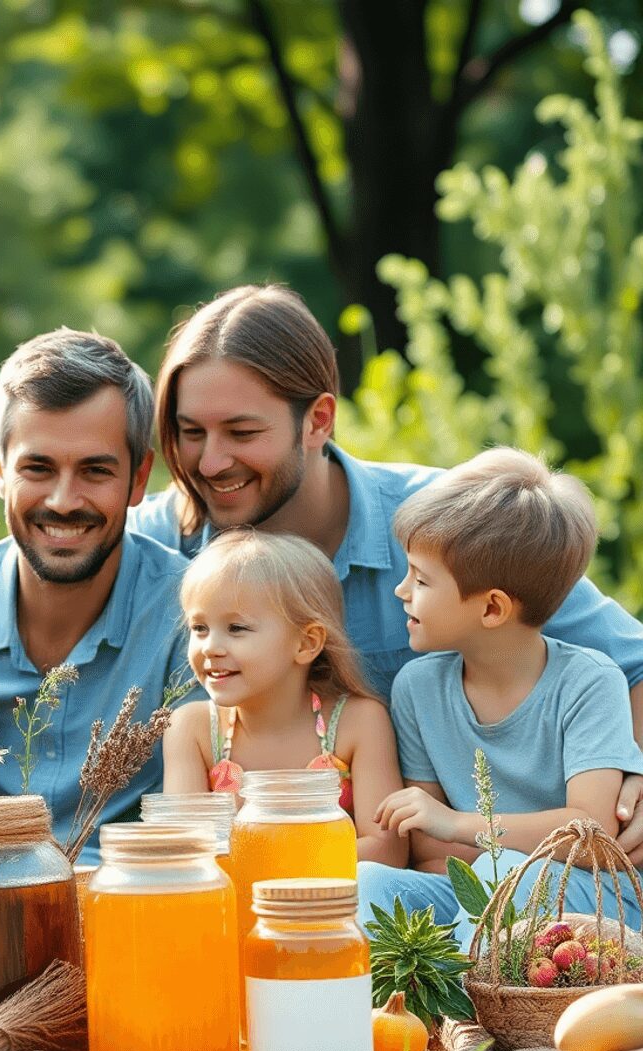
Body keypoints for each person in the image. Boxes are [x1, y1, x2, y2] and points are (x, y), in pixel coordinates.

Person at [129, 282, 643, 855]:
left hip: (465, 866)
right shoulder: (159, 541)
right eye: (189, 432)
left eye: (242, 433)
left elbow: (633, 664)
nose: (210, 462)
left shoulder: (441, 532)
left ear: (319, 420)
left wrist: (635, 783)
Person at [357, 449, 643, 938]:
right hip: (473, 890)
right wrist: (452, 838)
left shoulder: (591, 682)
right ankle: (411, 998)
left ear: (492, 609)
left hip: (585, 902)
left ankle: (476, 1005)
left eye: (421, 579)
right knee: (367, 885)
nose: (401, 591)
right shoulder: (417, 688)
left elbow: (591, 837)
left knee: (506, 874)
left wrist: (457, 824)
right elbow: (429, 852)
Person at [0, 328, 196, 853]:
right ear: (0, 469)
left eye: (95, 470)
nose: (63, 500)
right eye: (38, 467)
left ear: (139, 477)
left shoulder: (195, 613)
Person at [163, 528, 404, 864]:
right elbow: (186, 851)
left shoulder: (358, 722)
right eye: (199, 628)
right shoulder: (192, 728)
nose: (210, 648)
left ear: (306, 643)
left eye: (236, 628)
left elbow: (386, 850)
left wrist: (266, 860)